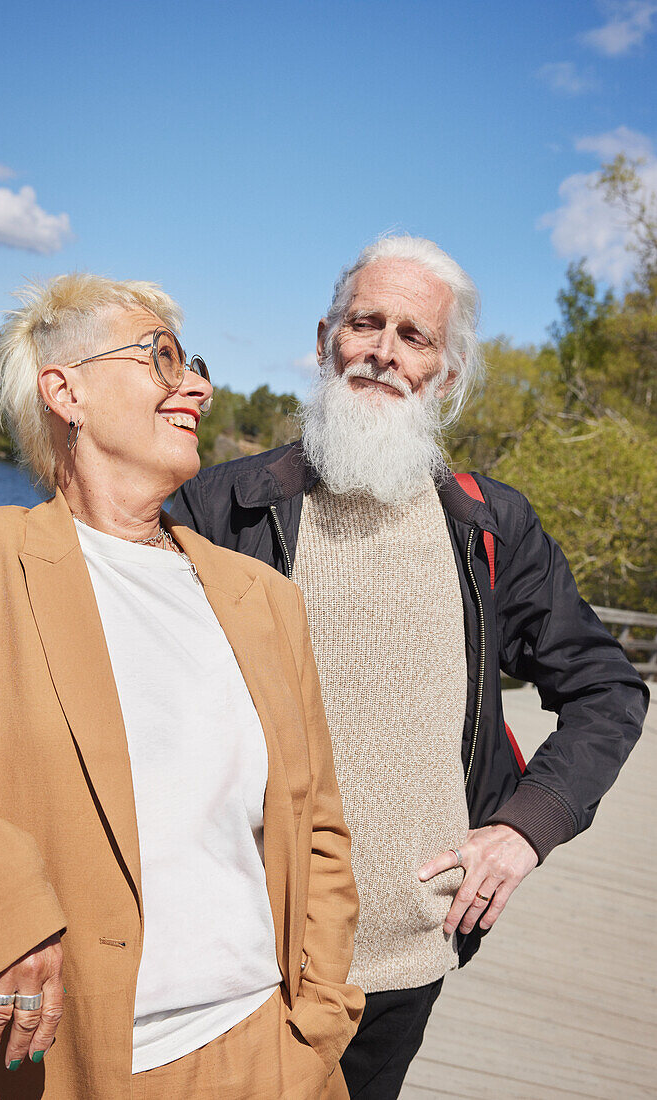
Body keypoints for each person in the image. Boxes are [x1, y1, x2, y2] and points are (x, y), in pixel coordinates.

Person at [171, 235, 649, 1100]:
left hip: (400, 969)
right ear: (325, 340)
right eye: (365, 323)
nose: (383, 352)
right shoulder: (224, 505)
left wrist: (526, 827)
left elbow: (607, 689)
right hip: (231, 954)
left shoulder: (490, 527)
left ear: (447, 375)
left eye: (414, 336)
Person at [0, 273, 363, 1100]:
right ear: (67, 390)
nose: (195, 383)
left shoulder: (264, 600)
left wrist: (319, 1024)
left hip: (264, 1054)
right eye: (159, 356)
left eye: (191, 360)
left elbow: (320, 831)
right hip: (45, 1063)